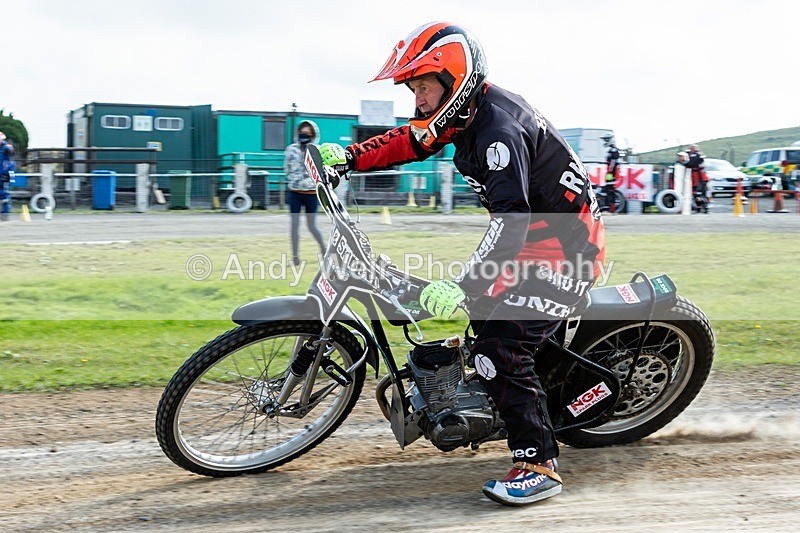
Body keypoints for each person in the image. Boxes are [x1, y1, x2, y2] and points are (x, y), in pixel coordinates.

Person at [319, 22, 605, 506]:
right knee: (479, 315)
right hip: (532, 240)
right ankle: (505, 394)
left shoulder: (498, 131)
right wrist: (349, 158)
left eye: (423, 86)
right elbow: (410, 141)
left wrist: (466, 283)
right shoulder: (463, 113)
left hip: (566, 253)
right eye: (413, 88)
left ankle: (539, 463)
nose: (418, 99)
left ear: (455, 80)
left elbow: (511, 222)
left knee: (498, 350)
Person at [284, 120, 326, 266]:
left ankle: (324, 250)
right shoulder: (291, 150)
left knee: (311, 225)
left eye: (308, 133)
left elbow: (322, 171)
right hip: (295, 193)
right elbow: (286, 168)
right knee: (294, 225)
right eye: (302, 133)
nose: (304, 135)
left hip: (311, 194)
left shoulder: (318, 150)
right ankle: (295, 257)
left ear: (313, 135)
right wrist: (293, 179)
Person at [684, 144, 709, 213]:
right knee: (697, 193)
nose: (690, 150)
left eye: (691, 149)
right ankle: (700, 207)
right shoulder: (698, 155)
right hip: (698, 178)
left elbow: (690, 164)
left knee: (698, 193)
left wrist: (684, 162)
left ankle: (704, 206)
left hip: (699, 178)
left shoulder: (696, 155)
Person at [601, 134, 620, 213]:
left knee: (610, 189)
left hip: (612, 173)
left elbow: (613, 163)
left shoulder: (614, 150)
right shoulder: (611, 150)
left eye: (607, 140)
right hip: (610, 172)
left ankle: (612, 208)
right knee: (608, 189)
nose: (605, 141)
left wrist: (610, 172)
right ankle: (609, 207)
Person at [0, 132, 16, 222]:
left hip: (5, 174)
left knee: (5, 194)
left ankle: (5, 214)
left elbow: (11, 162)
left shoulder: (6, 148)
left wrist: (9, 175)